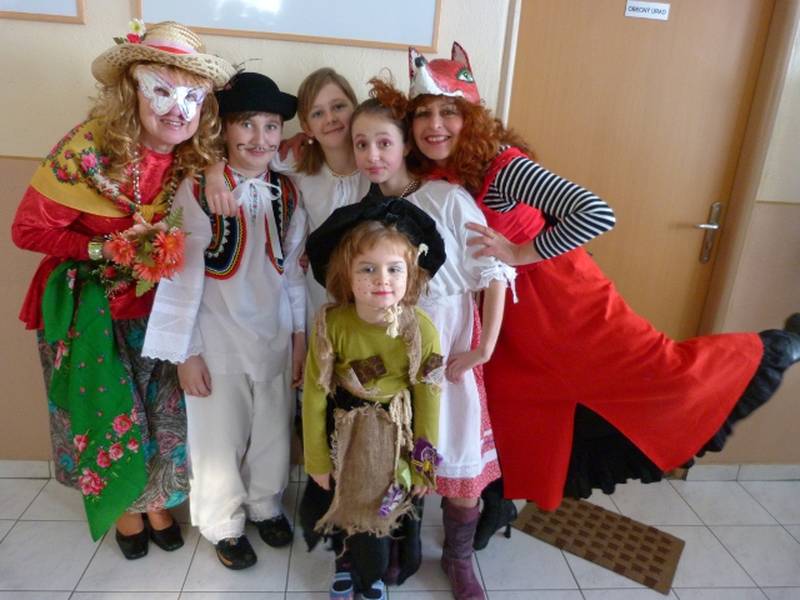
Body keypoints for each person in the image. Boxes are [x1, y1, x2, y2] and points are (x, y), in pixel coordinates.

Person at [405, 42, 800, 535]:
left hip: (567, 304)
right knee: (512, 414)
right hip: (506, 316)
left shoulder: (502, 167)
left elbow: (595, 213)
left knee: (661, 374)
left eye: (449, 111)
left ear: (472, 117)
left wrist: (519, 252)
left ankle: (774, 350)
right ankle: (500, 502)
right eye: (423, 113)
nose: (435, 124)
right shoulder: (433, 173)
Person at [10, 20, 235, 558]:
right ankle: (125, 509)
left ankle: (156, 501)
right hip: (89, 307)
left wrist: (217, 168)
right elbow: (26, 230)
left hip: (157, 304)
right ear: (131, 89)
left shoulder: (192, 153)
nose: (178, 109)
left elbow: (224, 158)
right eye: (162, 90)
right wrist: (102, 249)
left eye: (193, 98)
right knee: (107, 410)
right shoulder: (85, 152)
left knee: (160, 408)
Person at [349, 80, 516, 600]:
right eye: (360, 144)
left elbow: (494, 271)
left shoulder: (447, 199)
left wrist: (484, 348)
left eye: (383, 142)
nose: (372, 155)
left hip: (447, 341)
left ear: (404, 143)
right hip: (391, 346)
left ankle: (459, 556)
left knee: (456, 448)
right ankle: (405, 543)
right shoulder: (363, 211)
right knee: (402, 449)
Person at [141, 72, 305, 569]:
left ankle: (265, 503)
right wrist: (186, 352)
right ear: (225, 130)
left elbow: (293, 272)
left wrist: (299, 336)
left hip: (273, 334)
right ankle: (222, 522)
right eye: (246, 124)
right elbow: (179, 277)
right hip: (215, 335)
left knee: (274, 427)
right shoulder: (197, 190)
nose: (260, 138)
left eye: (271, 126)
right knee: (217, 436)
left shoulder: (289, 193)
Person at [302, 197, 445, 600]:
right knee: (342, 496)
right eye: (367, 268)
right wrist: (317, 459)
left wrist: (424, 464)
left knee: (383, 503)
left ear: (410, 274)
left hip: (394, 434)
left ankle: (375, 574)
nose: (382, 279)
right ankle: (345, 562)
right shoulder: (332, 324)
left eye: (394, 269)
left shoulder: (421, 328)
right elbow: (314, 392)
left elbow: (430, 396)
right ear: (346, 275)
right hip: (342, 430)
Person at [204, 67, 371, 325]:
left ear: (356, 110)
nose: (330, 118)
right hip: (321, 293)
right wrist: (214, 175)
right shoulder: (295, 163)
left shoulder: (376, 165)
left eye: (339, 107)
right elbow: (247, 156)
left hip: (373, 289)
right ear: (307, 126)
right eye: (317, 113)